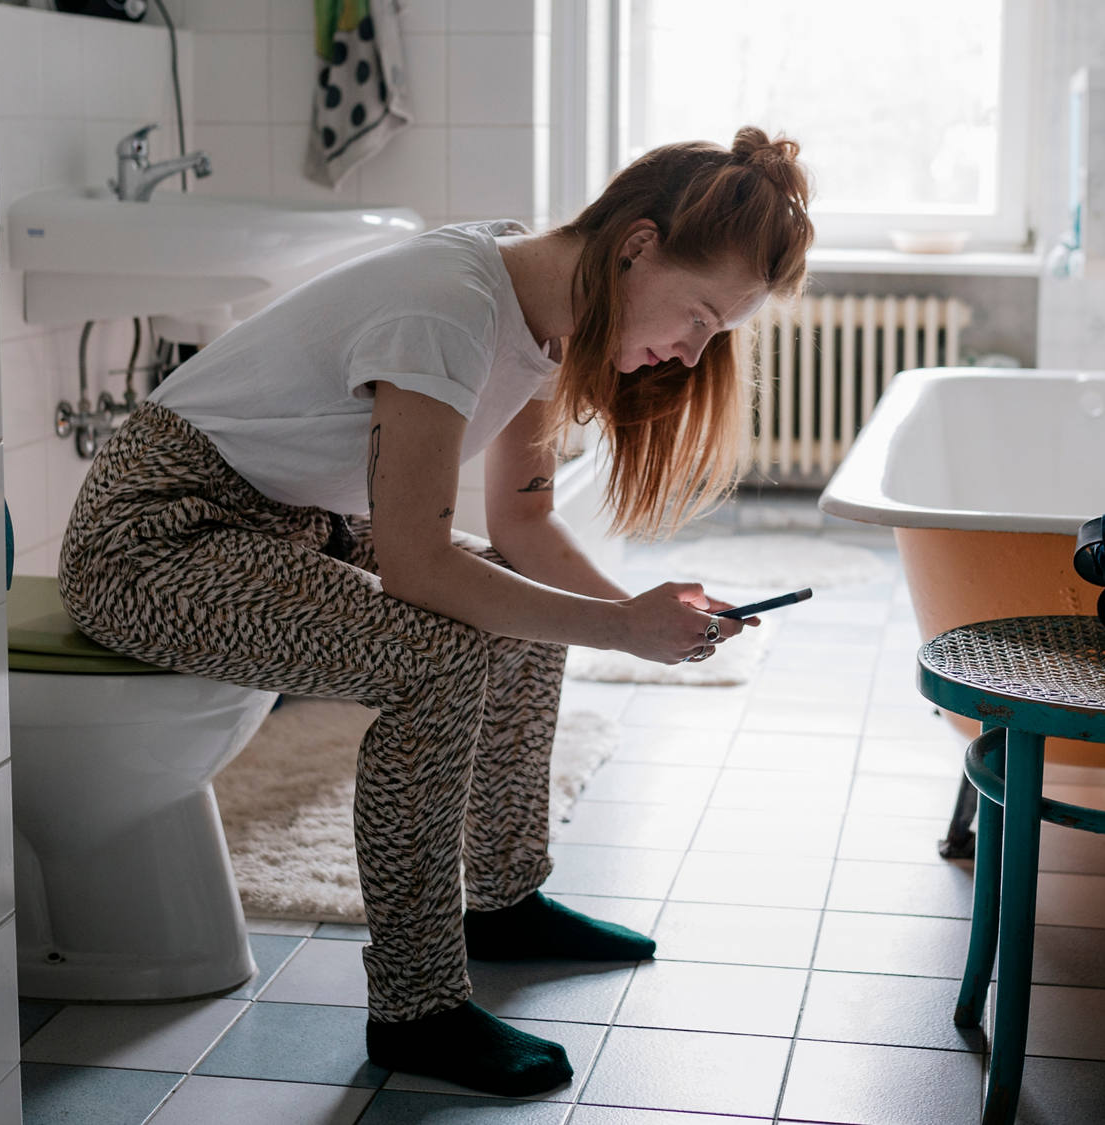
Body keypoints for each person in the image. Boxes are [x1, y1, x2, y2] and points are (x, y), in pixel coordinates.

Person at [57, 126, 814, 1096]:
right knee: (443, 655)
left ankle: (500, 899)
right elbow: (416, 564)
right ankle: (414, 1008)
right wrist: (623, 628)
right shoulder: (449, 306)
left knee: (518, 603)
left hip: (288, 519)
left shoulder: (541, 307)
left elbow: (525, 523)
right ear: (636, 247)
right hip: (154, 534)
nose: (692, 350)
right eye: (702, 315)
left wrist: (638, 612)